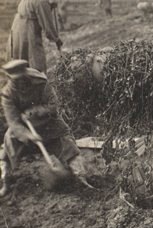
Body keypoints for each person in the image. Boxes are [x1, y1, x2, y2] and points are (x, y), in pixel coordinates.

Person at [0, 60, 92, 196]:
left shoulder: (40, 82)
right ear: (9, 79)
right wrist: (29, 135)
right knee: (8, 146)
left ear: (26, 74)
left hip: (48, 123)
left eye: (22, 78)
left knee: (67, 142)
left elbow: (54, 105)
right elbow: (13, 122)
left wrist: (37, 111)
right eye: (15, 80)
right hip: (24, 129)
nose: (20, 82)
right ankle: (5, 182)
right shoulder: (7, 93)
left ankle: (82, 178)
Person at [7, 0, 64, 74]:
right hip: (28, 29)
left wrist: (49, 7)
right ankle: (35, 85)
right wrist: (56, 39)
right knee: (36, 60)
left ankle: (21, 82)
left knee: (19, 57)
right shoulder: (41, 0)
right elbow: (48, 25)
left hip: (17, 27)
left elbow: (33, 10)